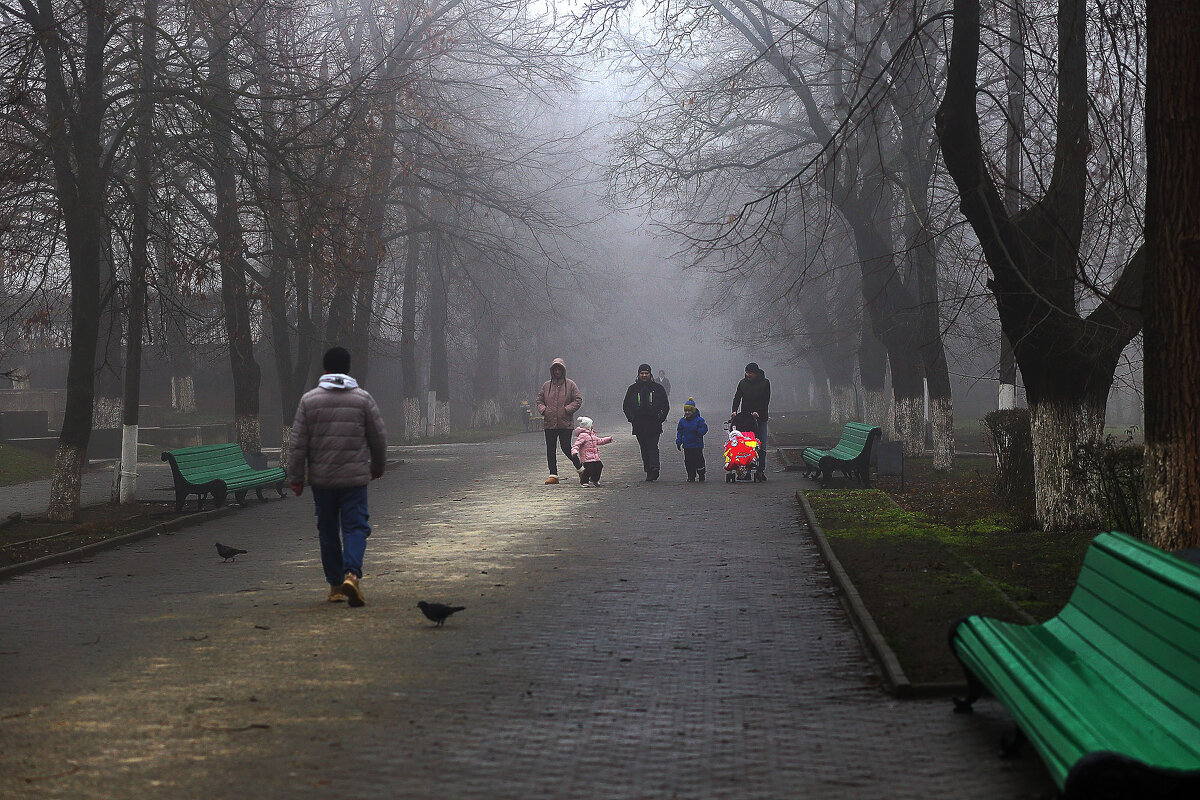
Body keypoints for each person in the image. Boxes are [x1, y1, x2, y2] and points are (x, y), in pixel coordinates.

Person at [287, 346, 387, 607]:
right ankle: (352, 575)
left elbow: (298, 443)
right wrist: (377, 466)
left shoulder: (309, 401)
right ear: (348, 368)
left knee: (328, 531)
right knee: (355, 527)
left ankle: (334, 587)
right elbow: (378, 438)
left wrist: (296, 477)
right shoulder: (363, 399)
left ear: (325, 369)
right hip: (354, 480)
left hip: (322, 481)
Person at [536, 357, 583, 485]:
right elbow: (539, 400)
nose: (557, 371)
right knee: (550, 449)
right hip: (549, 423)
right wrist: (544, 410)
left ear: (563, 370)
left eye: (559, 369)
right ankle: (553, 474)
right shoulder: (546, 386)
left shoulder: (570, 384)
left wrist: (567, 409)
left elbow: (578, 400)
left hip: (565, 423)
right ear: (552, 370)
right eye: (555, 369)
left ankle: (580, 469)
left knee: (566, 448)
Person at [622, 363, 670, 481]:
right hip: (639, 424)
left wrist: (660, 418)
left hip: (654, 423)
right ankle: (648, 470)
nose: (644, 375)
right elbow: (626, 406)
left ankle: (654, 468)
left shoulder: (658, 388)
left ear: (650, 374)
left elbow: (665, 406)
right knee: (643, 447)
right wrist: (632, 418)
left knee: (652, 446)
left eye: (646, 373)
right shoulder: (632, 389)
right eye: (642, 373)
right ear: (638, 374)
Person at [731, 362, 771, 479]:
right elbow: (737, 397)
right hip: (746, 419)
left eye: (750, 373)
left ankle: (761, 469)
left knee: (761, 444)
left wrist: (758, 412)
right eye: (746, 372)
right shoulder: (743, 383)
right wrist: (734, 411)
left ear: (756, 373)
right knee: (747, 443)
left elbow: (765, 400)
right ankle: (747, 470)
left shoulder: (765, 383)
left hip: (760, 417)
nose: (747, 375)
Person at [571, 416, 612, 487]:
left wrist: (607, 439)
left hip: (595, 456)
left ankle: (594, 479)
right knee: (588, 469)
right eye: (591, 424)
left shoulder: (592, 435)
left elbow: (599, 441)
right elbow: (577, 444)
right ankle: (584, 481)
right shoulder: (583, 435)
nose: (593, 425)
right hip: (586, 457)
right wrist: (574, 451)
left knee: (599, 466)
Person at [676, 397, 709, 482]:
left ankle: (701, 474)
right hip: (687, 445)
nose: (687, 412)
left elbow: (704, 429)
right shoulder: (682, 421)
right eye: (686, 411)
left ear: (693, 411)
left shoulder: (699, 420)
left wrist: (698, 432)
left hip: (697, 444)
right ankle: (691, 476)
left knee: (699, 460)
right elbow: (680, 431)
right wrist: (679, 441)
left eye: (689, 411)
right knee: (688, 461)